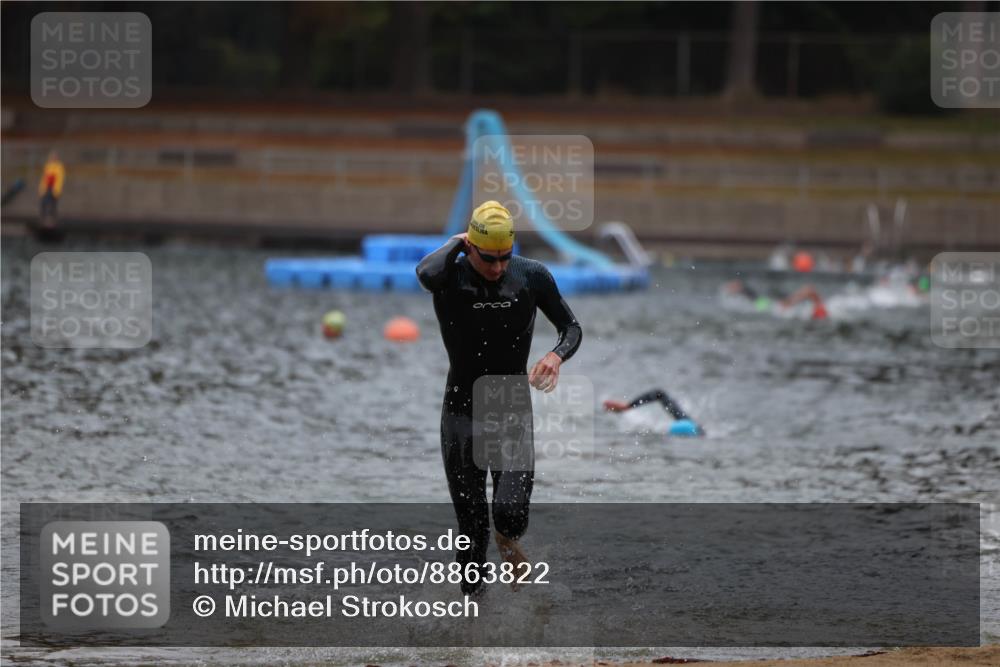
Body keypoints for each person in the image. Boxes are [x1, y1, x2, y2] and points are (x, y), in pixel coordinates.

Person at [416, 200, 582, 597]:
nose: (497, 268)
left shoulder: (530, 275)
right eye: (488, 258)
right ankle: (474, 632)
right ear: (469, 247)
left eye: (504, 257)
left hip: (510, 411)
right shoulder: (448, 277)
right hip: (460, 413)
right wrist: (457, 242)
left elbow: (571, 327)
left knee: (508, 514)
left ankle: (507, 541)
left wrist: (556, 355)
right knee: (471, 535)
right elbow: (425, 271)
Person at [603, 389, 704, 436]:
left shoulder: (695, 432)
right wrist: (627, 406)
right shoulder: (687, 423)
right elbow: (659, 394)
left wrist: (627, 407)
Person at [722, 279, 828, 320]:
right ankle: (738, 287)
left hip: (770, 305)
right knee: (757, 300)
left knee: (757, 301)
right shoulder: (791, 306)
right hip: (771, 304)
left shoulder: (812, 309)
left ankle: (738, 287)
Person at [37, 151, 65, 230]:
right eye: (52, 157)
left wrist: (57, 189)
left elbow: (60, 179)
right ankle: (43, 219)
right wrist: (41, 188)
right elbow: (44, 178)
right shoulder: (48, 166)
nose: (53, 158)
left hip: (54, 188)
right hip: (47, 187)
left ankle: (53, 221)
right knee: (43, 203)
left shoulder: (59, 167)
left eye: (55, 157)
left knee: (53, 204)